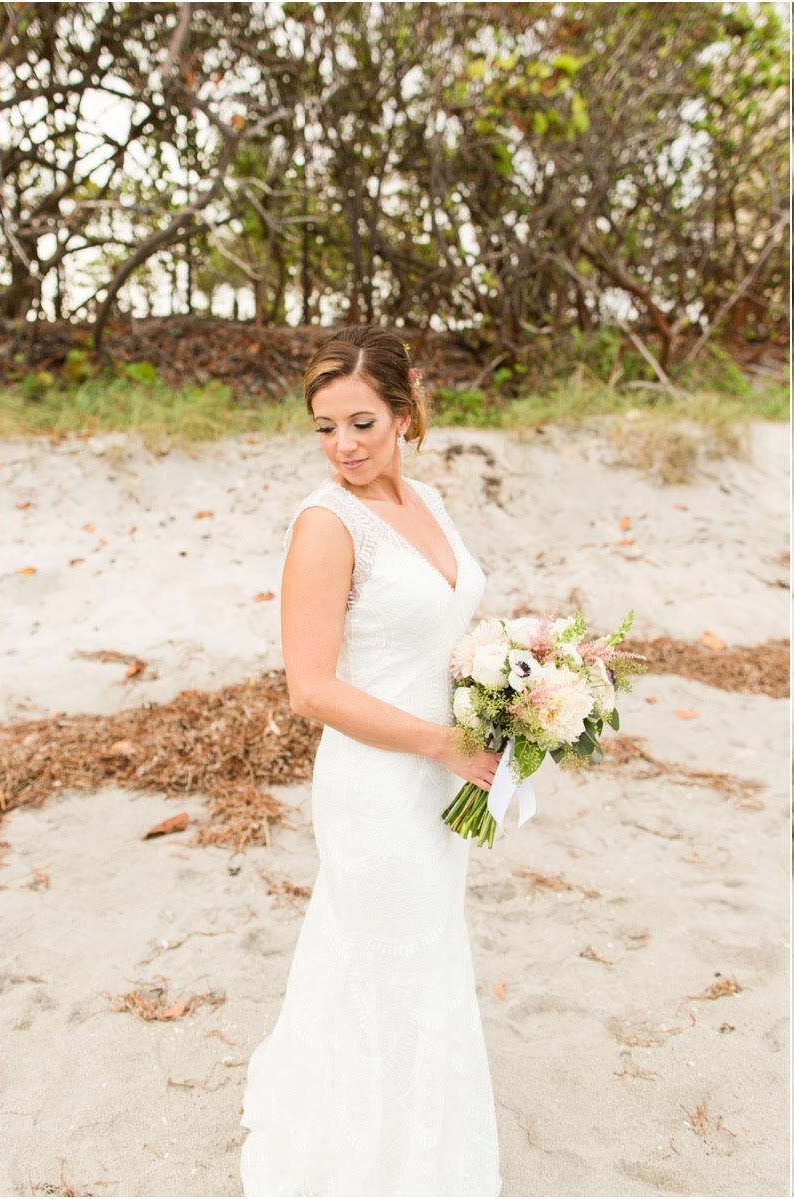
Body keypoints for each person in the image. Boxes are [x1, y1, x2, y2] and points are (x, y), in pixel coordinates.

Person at [240, 325, 502, 1195]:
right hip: (380, 783)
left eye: (360, 423)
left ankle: (421, 1143)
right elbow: (310, 689)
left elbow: (448, 628)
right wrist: (439, 741)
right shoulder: (325, 524)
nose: (343, 446)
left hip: (443, 770)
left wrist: (507, 693)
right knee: (387, 960)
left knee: (427, 954)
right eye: (324, 427)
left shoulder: (426, 501)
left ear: (404, 408)